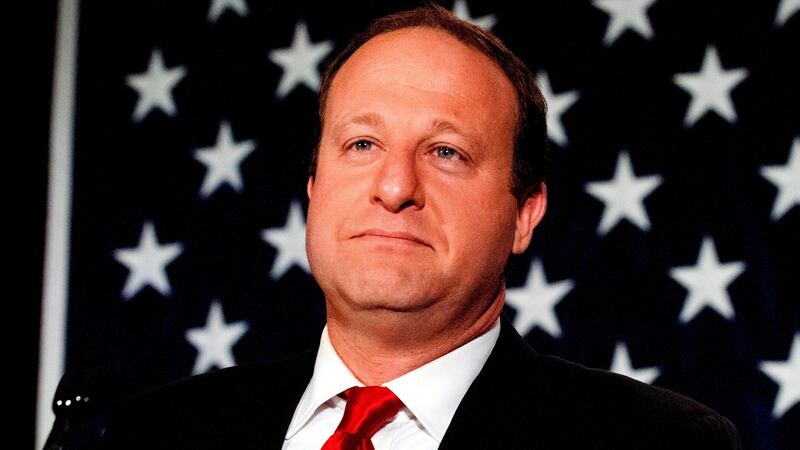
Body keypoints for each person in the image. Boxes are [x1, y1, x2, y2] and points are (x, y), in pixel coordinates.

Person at [101, 5, 741, 449]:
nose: (395, 187)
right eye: (361, 145)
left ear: (524, 215)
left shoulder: (655, 444)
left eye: (446, 152)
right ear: (314, 189)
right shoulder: (153, 434)